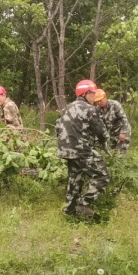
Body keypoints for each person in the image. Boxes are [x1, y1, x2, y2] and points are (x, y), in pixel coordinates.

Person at [55, 79, 111, 217]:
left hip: (66, 150)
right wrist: (104, 142)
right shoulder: (89, 109)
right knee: (102, 175)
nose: (94, 96)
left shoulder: (66, 108)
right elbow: (102, 131)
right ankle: (84, 203)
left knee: (75, 179)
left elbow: (57, 127)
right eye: (92, 93)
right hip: (81, 150)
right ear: (85, 93)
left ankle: (70, 211)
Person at [94, 89, 131, 154]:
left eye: (100, 100)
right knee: (113, 153)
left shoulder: (114, 104)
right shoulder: (97, 109)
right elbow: (99, 124)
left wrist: (123, 132)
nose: (99, 102)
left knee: (120, 153)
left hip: (122, 129)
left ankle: (123, 163)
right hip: (112, 132)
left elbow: (123, 118)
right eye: (97, 101)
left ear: (105, 97)